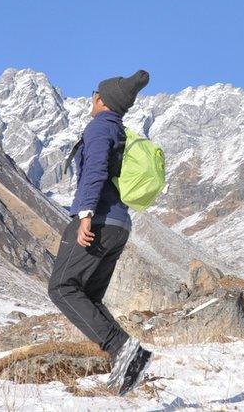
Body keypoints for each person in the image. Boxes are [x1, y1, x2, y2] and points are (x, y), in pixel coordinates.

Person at [47, 69, 153, 396]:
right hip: (120, 226)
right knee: (89, 296)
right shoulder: (120, 132)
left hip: (100, 221)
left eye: (94, 93)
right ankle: (127, 370)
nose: (91, 98)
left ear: (101, 100)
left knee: (62, 287)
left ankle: (123, 350)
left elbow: (94, 171)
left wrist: (85, 217)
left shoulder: (99, 129)